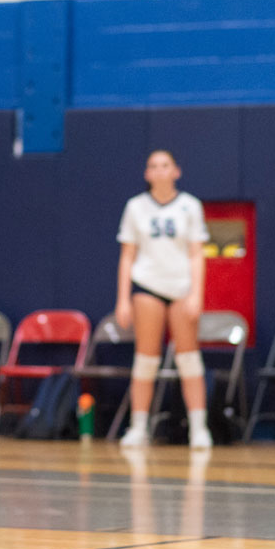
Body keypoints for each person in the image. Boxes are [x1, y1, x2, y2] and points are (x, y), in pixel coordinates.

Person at [114, 150, 212, 449]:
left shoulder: (190, 206)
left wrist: (197, 293)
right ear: (147, 174)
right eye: (153, 166)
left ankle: (199, 428)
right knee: (145, 360)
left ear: (176, 171)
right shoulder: (135, 207)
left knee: (189, 360)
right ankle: (138, 427)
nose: (159, 170)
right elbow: (127, 256)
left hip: (181, 288)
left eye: (165, 165)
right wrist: (122, 299)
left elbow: (197, 254)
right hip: (148, 286)